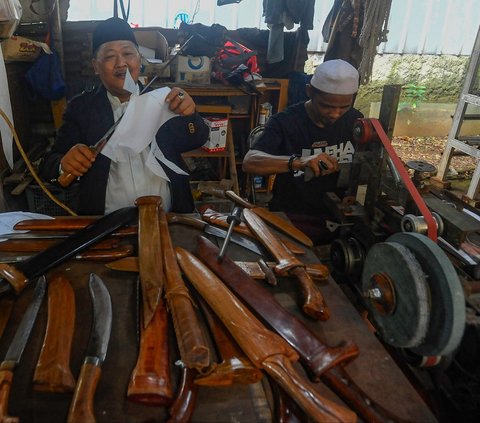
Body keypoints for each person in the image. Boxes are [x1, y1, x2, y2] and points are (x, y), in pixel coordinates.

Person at [41, 17, 209, 215]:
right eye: (110, 56)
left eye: (128, 53)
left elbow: (198, 138)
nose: (121, 63)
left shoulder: (165, 100)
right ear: (96, 66)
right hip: (107, 226)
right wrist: (64, 164)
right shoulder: (81, 108)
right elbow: (49, 165)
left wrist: (191, 115)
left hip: (170, 218)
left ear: (139, 59)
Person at [242, 59, 363, 244]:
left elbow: (368, 162)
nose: (335, 114)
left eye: (344, 107)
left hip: (341, 215)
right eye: (327, 106)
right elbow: (250, 162)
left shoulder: (356, 121)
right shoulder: (285, 122)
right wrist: (300, 161)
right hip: (294, 216)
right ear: (309, 92)